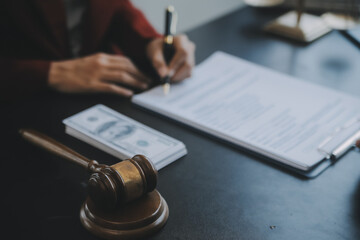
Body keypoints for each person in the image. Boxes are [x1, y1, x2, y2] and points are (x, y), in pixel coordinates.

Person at [0, 0, 195, 101]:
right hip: (23, 105)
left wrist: (149, 41)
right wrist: (50, 73)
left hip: (98, 96)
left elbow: (113, 7)